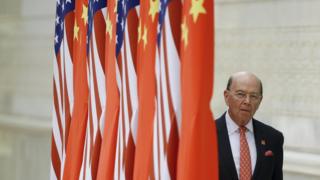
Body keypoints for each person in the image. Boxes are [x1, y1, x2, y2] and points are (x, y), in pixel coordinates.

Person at [216, 71, 284, 180]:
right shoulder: (206, 134)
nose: (247, 101)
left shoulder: (273, 138)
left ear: (260, 101)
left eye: (253, 96)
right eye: (241, 94)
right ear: (226, 96)